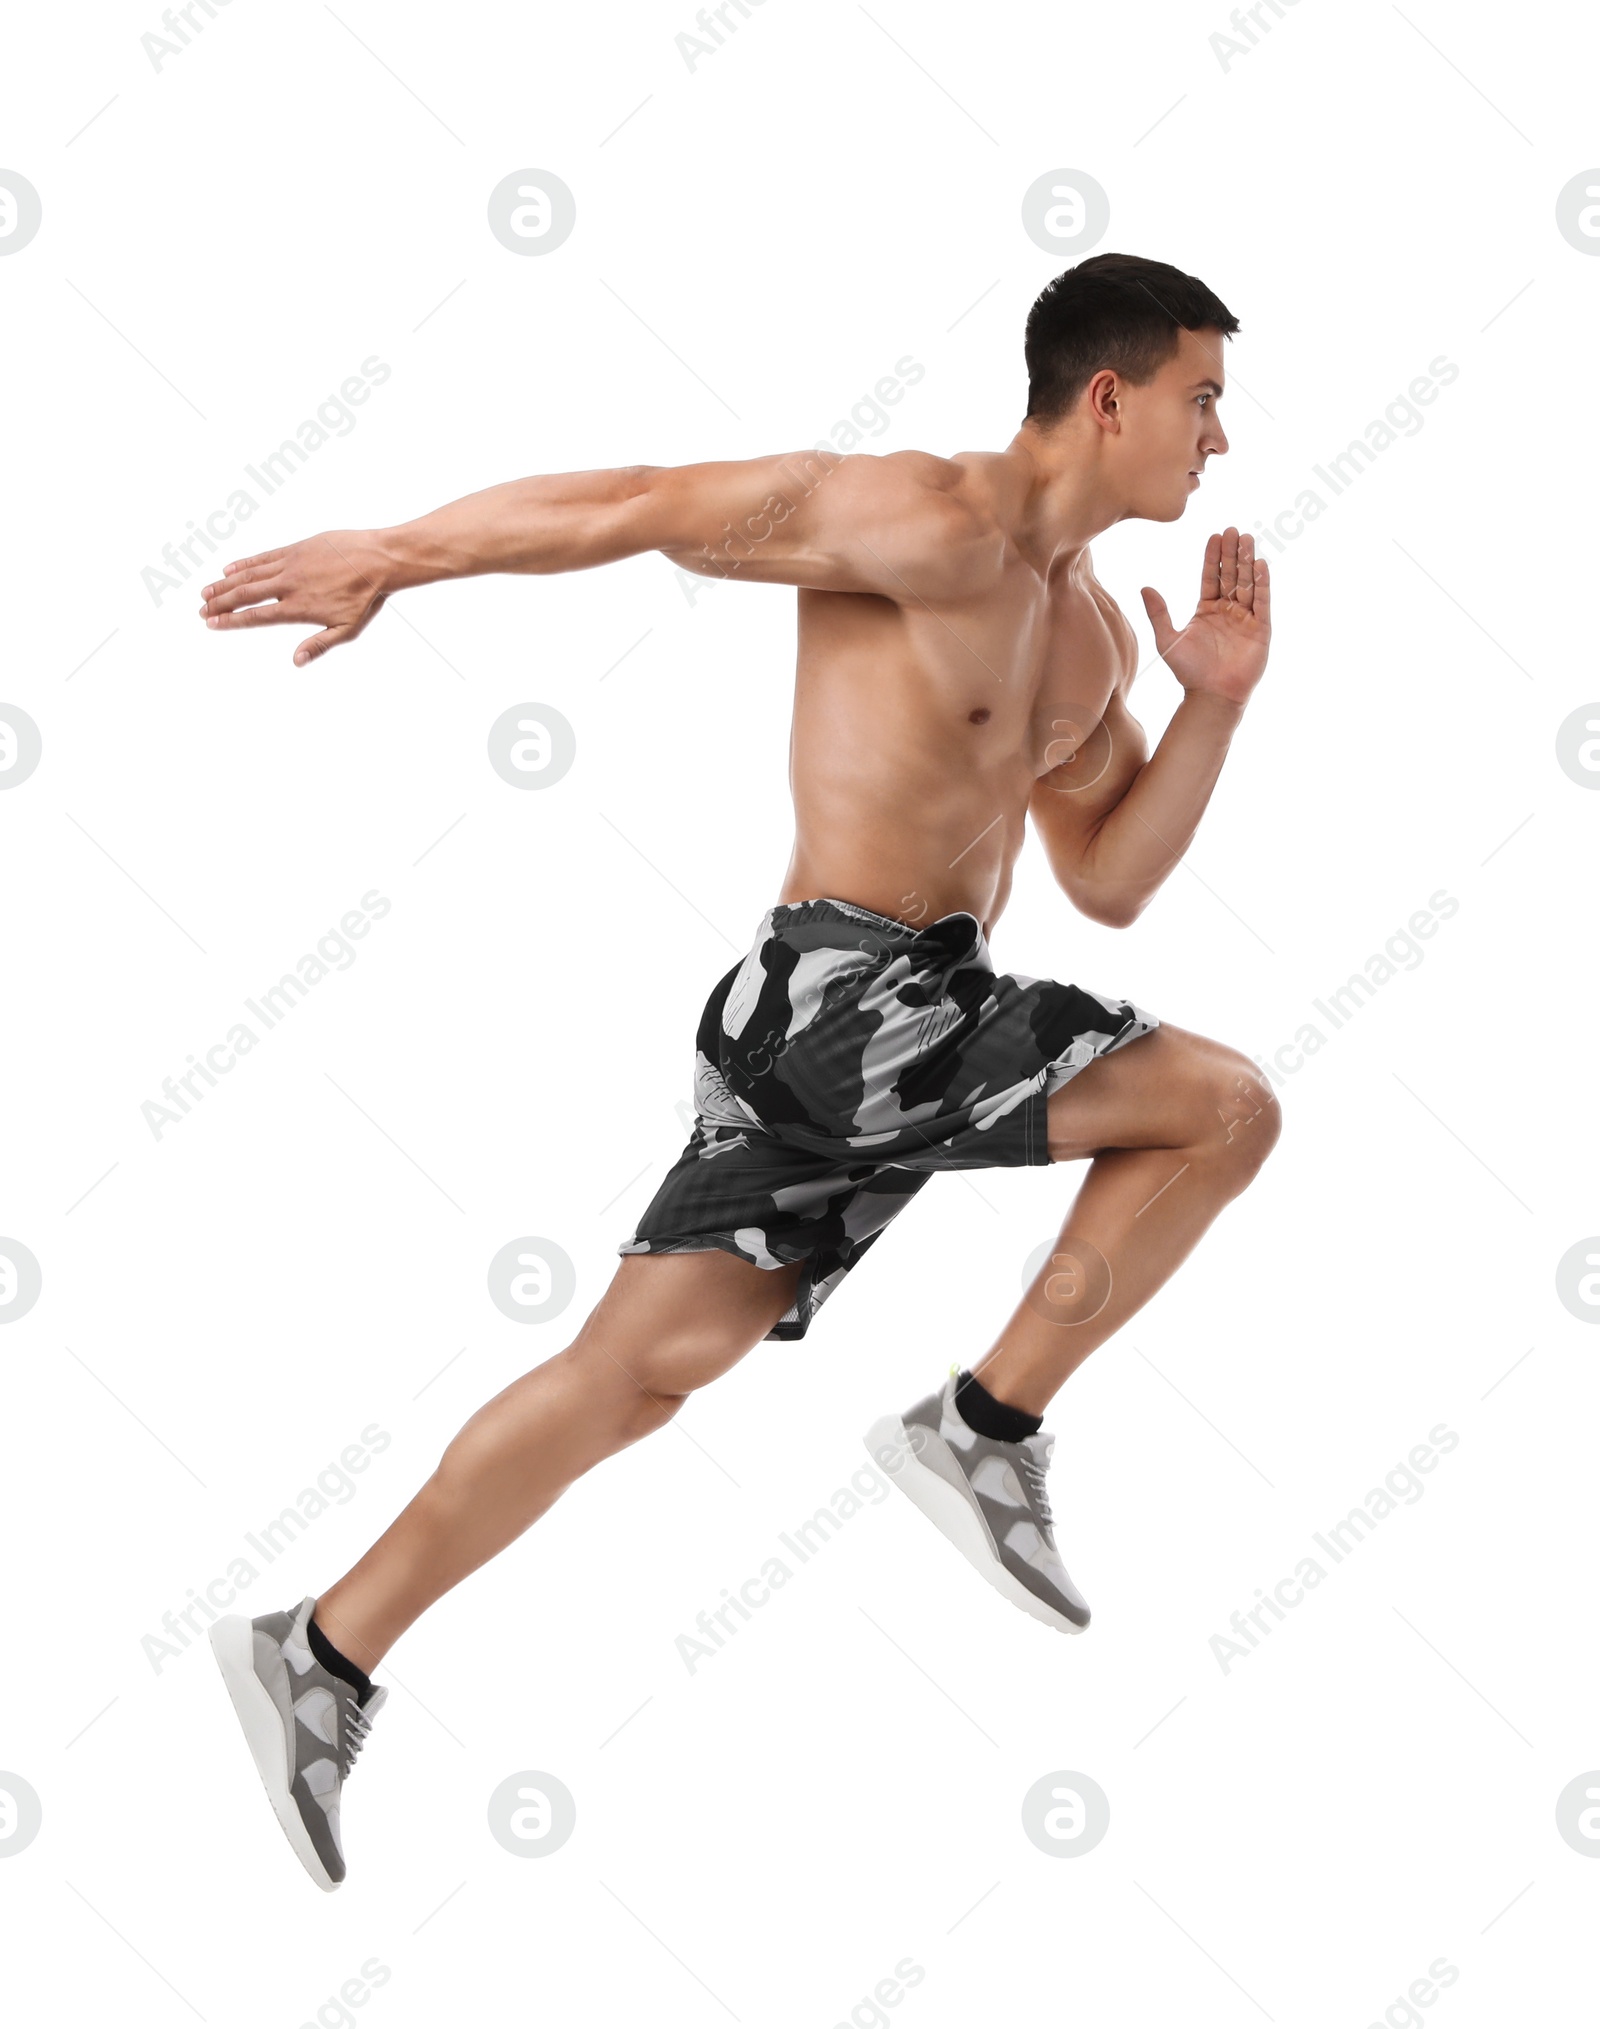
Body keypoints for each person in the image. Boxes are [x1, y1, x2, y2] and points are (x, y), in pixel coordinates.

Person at [199, 251, 1281, 1889]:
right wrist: (400, 556)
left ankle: (320, 1649)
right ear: (1110, 395)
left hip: (885, 1023)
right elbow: (644, 499)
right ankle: (985, 1424)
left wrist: (1211, 706)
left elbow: (1111, 876)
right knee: (1221, 1103)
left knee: (639, 1371)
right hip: (852, 999)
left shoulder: (1087, 643)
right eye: (1204, 399)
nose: (1220, 440)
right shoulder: (921, 517)